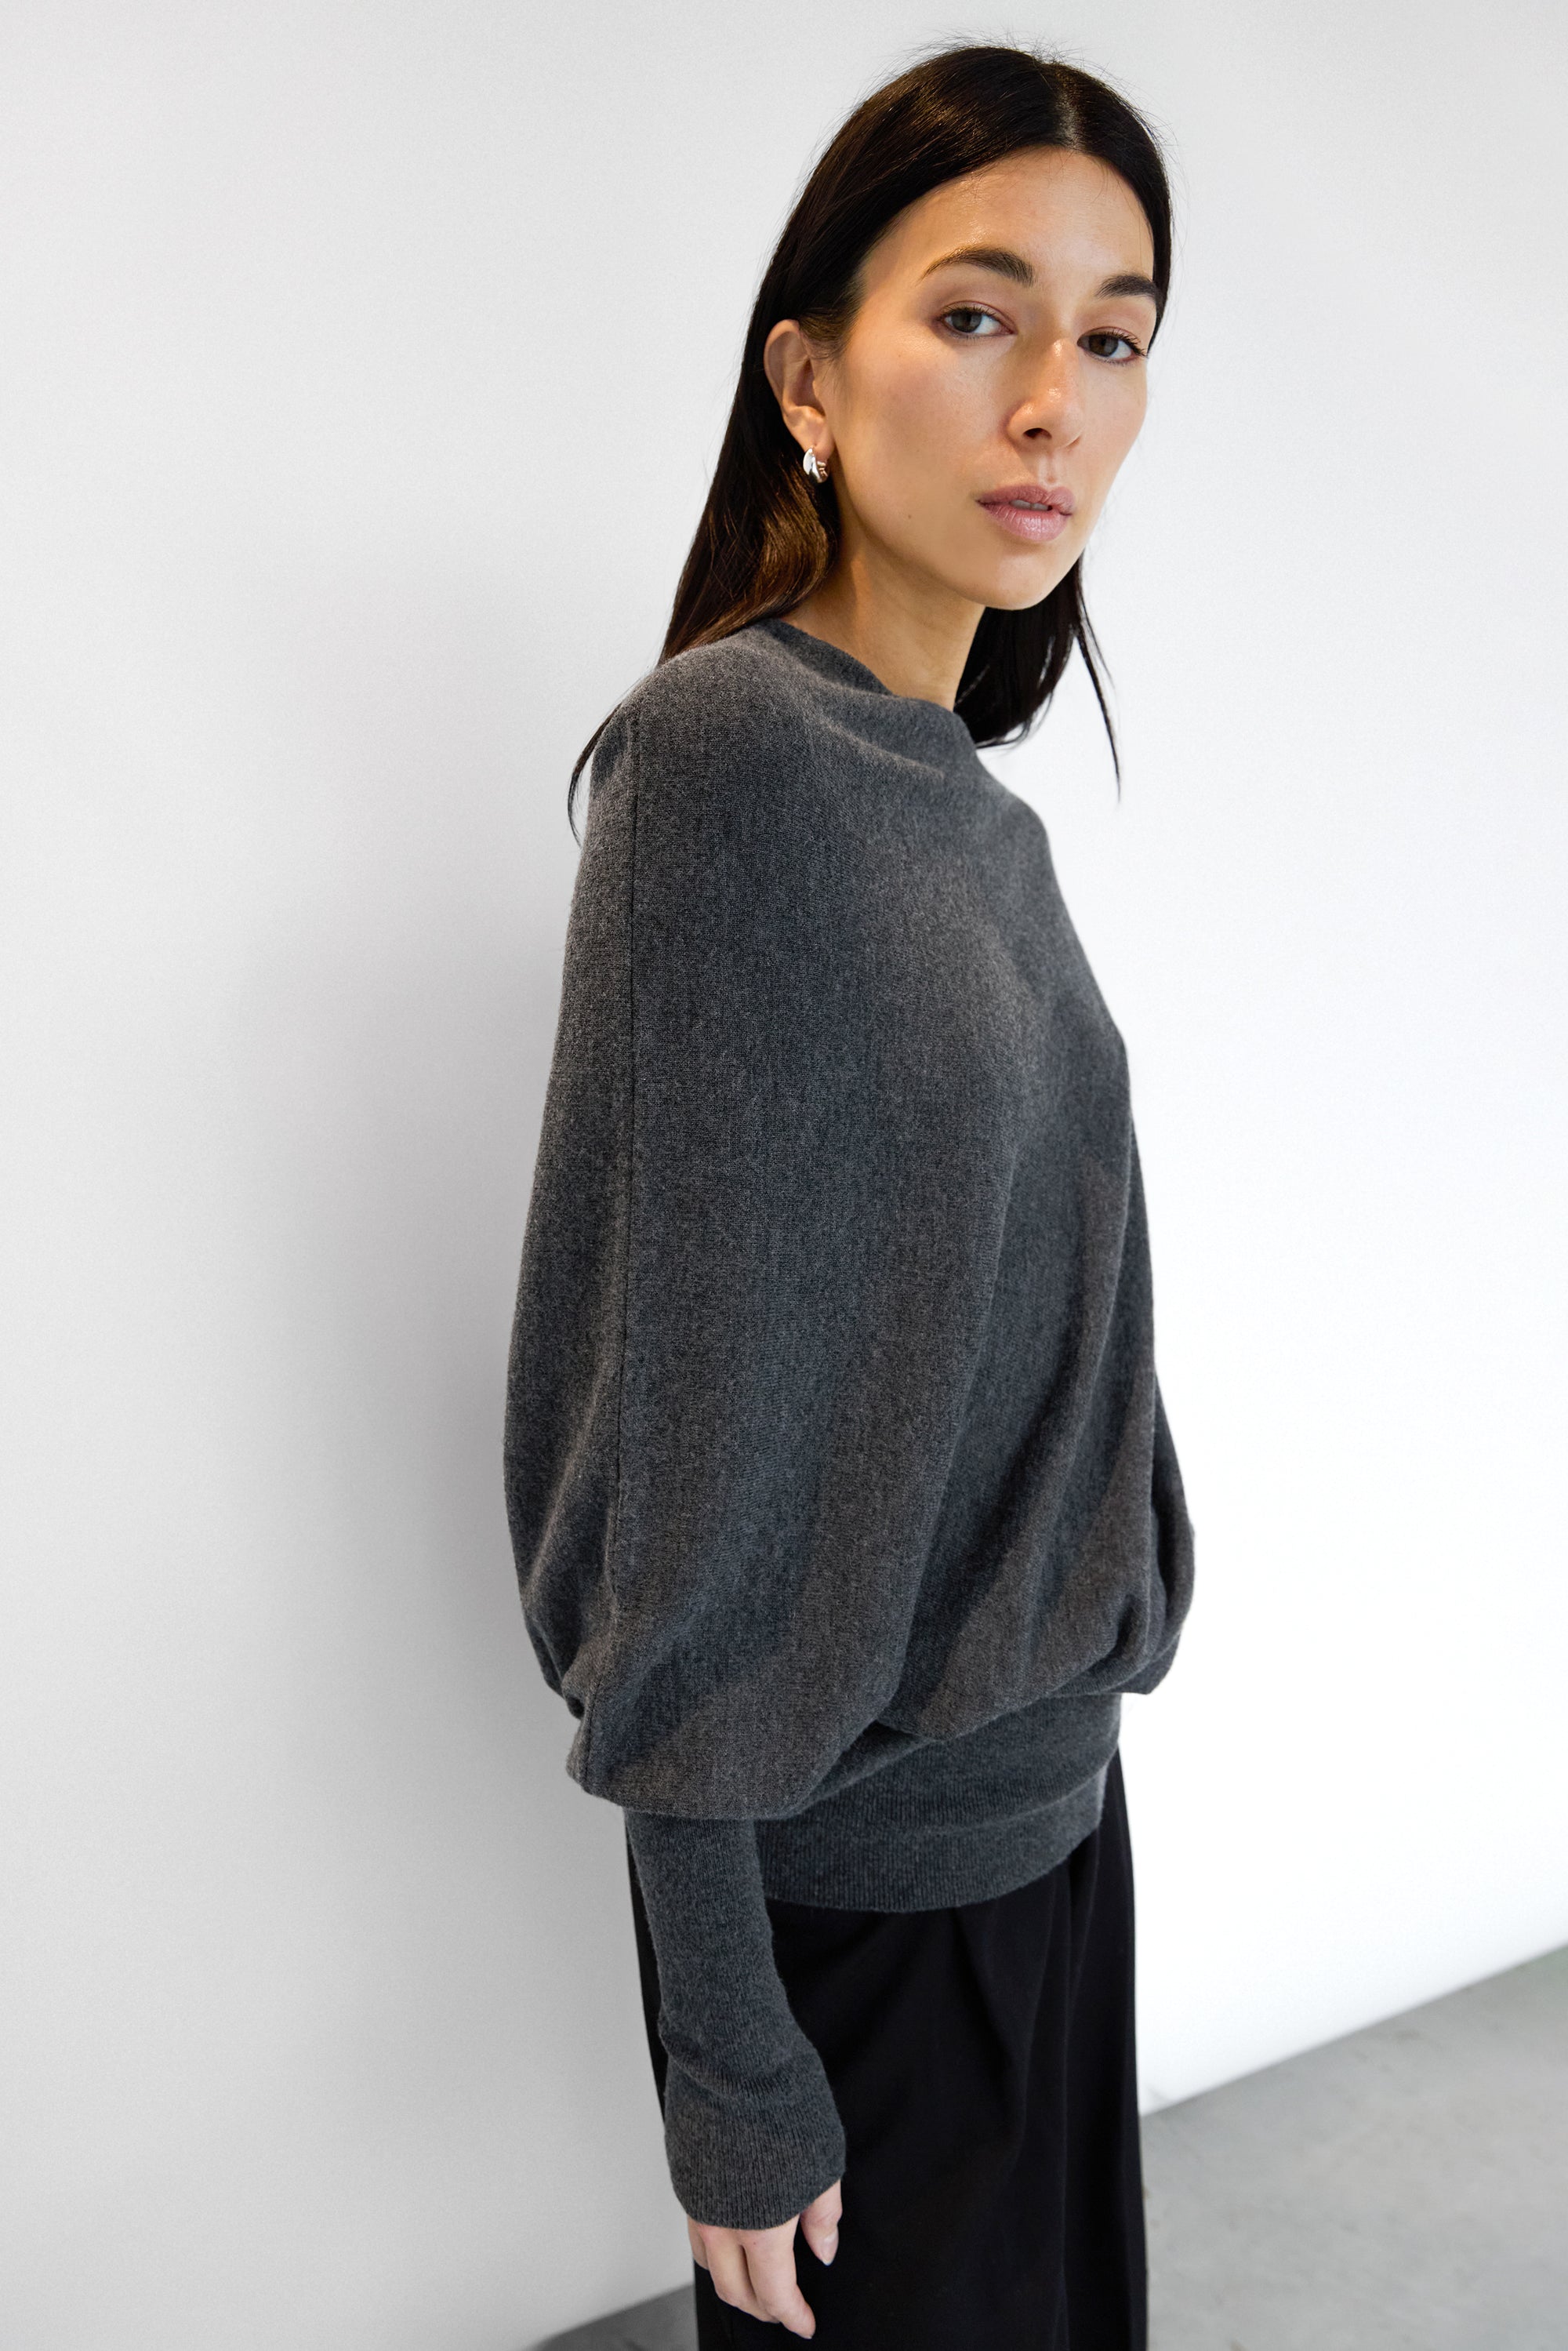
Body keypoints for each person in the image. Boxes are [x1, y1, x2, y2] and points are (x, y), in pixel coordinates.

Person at [504, 42, 1196, 2349]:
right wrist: (725, 2046)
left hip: (1052, 1847)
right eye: (978, 315)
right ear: (807, 379)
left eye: (1113, 338)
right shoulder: (726, 765)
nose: (1055, 403)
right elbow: (683, 1448)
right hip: (870, 1924)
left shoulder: (969, 811)